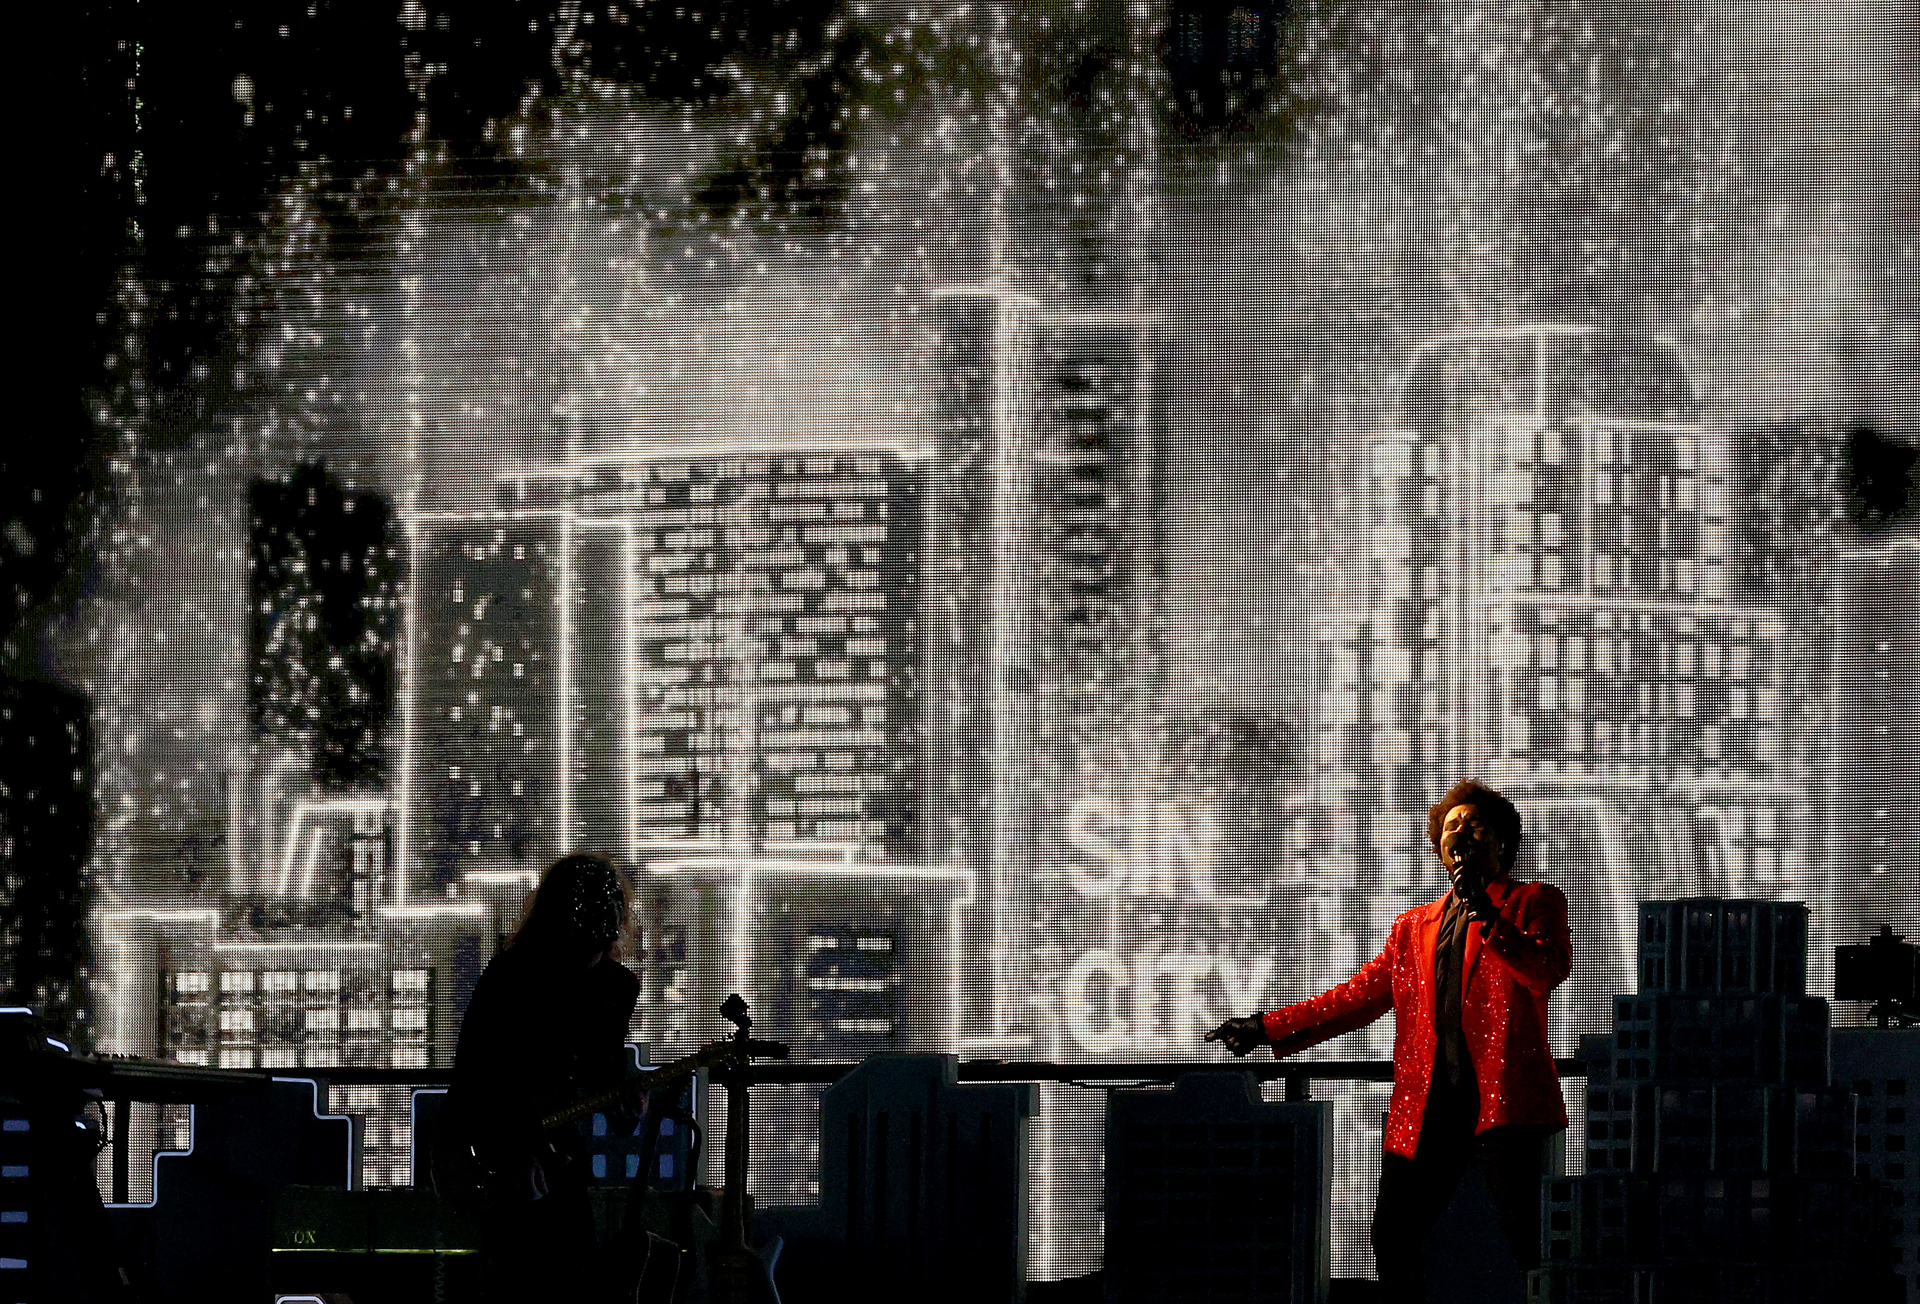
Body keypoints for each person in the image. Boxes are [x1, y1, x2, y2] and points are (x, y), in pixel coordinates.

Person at [1206, 779, 1570, 1300]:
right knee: (1392, 1235)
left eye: (1474, 825)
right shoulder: (1412, 926)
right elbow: (1357, 997)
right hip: (1430, 1106)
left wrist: (1486, 916)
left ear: (1503, 844)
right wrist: (1268, 1028)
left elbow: (1545, 970)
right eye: (1450, 827)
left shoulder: (1532, 901)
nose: (1460, 833)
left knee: (1527, 1238)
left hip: (1501, 1100)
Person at [445, 852, 641, 1301]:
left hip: (549, 1153)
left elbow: (603, 1075)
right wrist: (513, 1148)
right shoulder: (516, 977)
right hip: (507, 1148)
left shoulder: (610, 987)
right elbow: (480, 1075)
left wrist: (623, 1104)